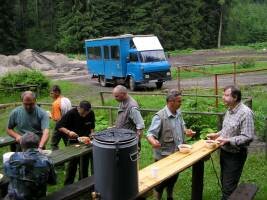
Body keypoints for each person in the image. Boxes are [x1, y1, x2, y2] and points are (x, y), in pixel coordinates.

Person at [207, 85, 254, 200]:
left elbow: (248, 137)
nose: (223, 97)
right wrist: (217, 134)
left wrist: (228, 140)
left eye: (226, 95)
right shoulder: (230, 110)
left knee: (228, 187)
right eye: (223, 94)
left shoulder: (245, 113)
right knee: (226, 183)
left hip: (236, 155)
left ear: (235, 97)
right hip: (225, 152)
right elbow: (228, 129)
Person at [146, 90, 195, 200]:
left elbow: (183, 126)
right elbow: (150, 134)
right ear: (171, 102)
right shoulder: (159, 116)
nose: (181, 103)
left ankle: (170, 196)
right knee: (161, 182)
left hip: (177, 154)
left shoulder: (178, 113)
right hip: (164, 156)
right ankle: (157, 197)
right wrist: (153, 141)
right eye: (179, 101)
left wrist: (187, 131)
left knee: (173, 178)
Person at [4, 132, 56, 200]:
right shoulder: (47, 161)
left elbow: (7, 172)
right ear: (38, 144)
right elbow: (53, 181)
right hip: (37, 197)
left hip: (14, 197)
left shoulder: (13, 157)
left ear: (21, 144)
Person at [55, 100, 95, 185]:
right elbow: (59, 126)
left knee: (84, 165)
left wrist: (92, 133)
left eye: (86, 113)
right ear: (78, 108)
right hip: (73, 142)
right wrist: (69, 132)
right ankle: (68, 185)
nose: (84, 115)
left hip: (86, 142)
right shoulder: (71, 113)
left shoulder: (90, 113)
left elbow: (92, 126)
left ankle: (83, 184)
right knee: (72, 165)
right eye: (83, 113)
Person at [113, 85, 145, 150]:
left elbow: (140, 126)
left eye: (117, 96)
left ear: (124, 94)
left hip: (130, 143)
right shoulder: (122, 101)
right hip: (122, 140)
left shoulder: (132, 107)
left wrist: (135, 144)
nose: (115, 98)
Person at [49, 85, 72, 150]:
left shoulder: (56, 103)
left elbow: (58, 119)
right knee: (68, 143)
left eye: (52, 93)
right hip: (68, 124)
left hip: (60, 126)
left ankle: (57, 158)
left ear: (57, 92)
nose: (50, 95)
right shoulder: (67, 99)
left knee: (53, 144)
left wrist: (50, 116)